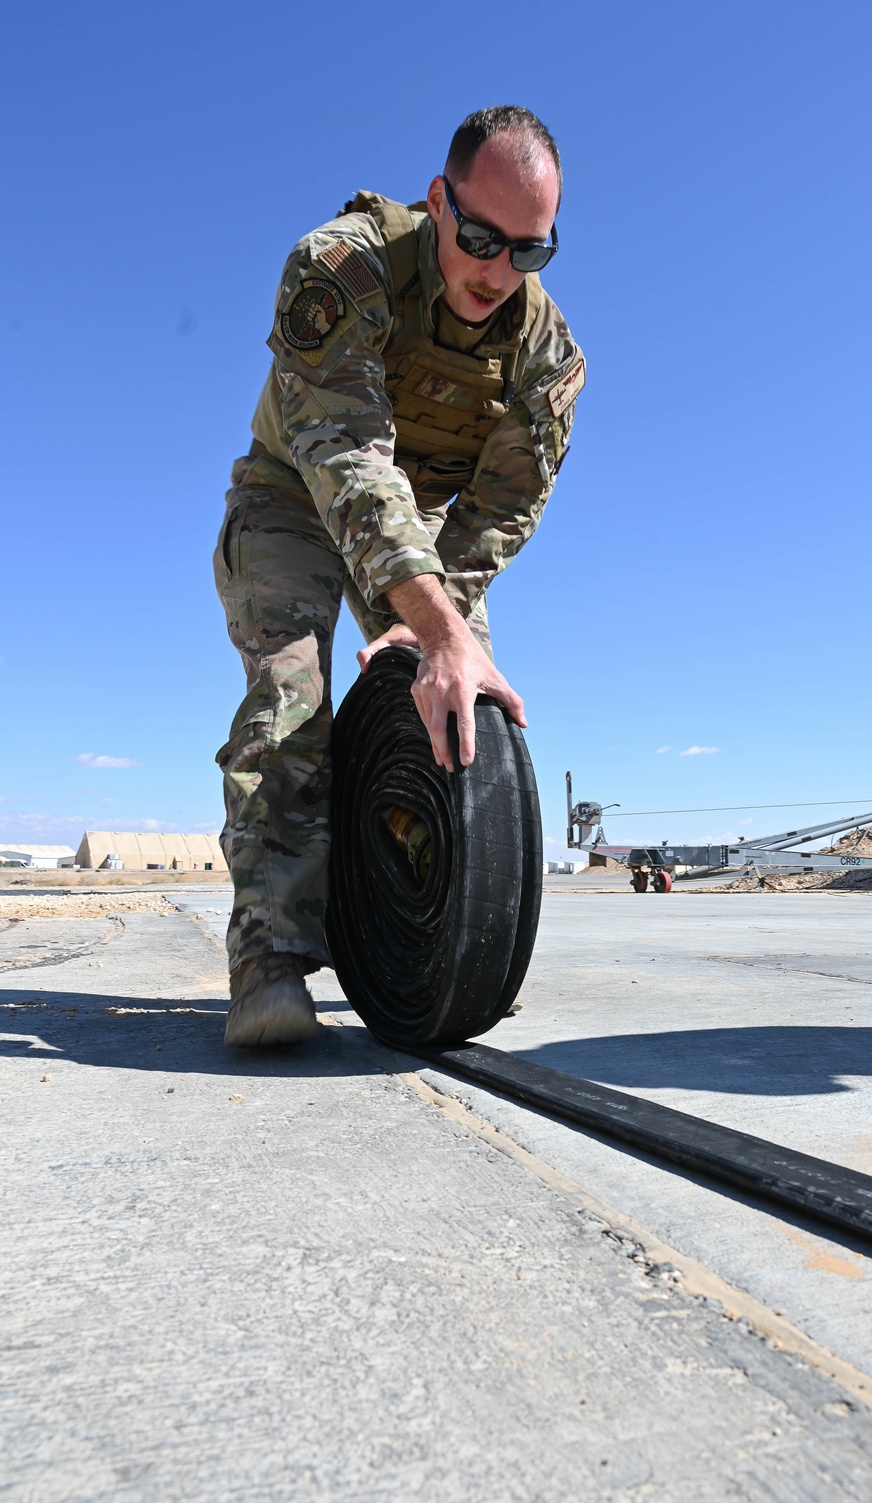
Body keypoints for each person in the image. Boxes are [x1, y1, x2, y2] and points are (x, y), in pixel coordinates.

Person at [214, 105, 585, 1046]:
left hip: (419, 535)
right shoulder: (341, 267)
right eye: (479, 238)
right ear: (438, 200)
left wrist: (441, 621)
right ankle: (270, 954)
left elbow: (503, 509)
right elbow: (342, 454)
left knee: (464, 711)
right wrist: (432, 617)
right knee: (292, 699)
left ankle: (441, 934)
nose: (499, 272)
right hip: (295, 491)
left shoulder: (548, 358)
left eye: (529, 253)